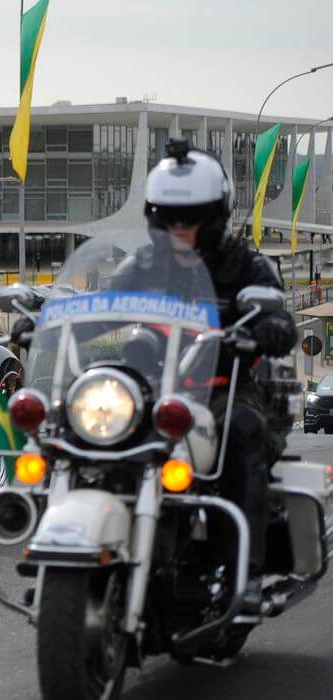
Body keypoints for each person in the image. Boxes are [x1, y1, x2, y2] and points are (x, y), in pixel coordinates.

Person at [15, 141, 296, 606]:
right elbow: (101, 312)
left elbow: (282, 323)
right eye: (168, 218)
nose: (179, 227)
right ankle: (61, 549)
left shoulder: (249, 265)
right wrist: (45, 324)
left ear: (216, 216)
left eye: (192, 217)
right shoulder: (143, 264)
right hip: (151, 386)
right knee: (74, 425)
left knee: (240, 431)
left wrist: (263, 332)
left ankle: (243, 575)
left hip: (227, 389)